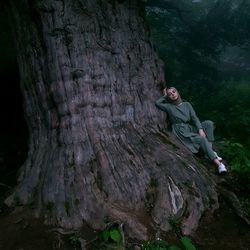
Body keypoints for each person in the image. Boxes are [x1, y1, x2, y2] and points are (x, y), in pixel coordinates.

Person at [155, 86, 227, 174]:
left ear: (177, 92)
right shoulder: (169, 106)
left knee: (209, 123)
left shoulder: (187, 104)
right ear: (168, 96)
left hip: (189, 127)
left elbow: (194, 118)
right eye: (170, 94)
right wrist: (165, 96)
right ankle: (219, 165)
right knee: (201, 139)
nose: (172, 94)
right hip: (181, 130)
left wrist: (200, 129)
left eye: (174, 92)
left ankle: (210, 151)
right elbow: (157, 103)